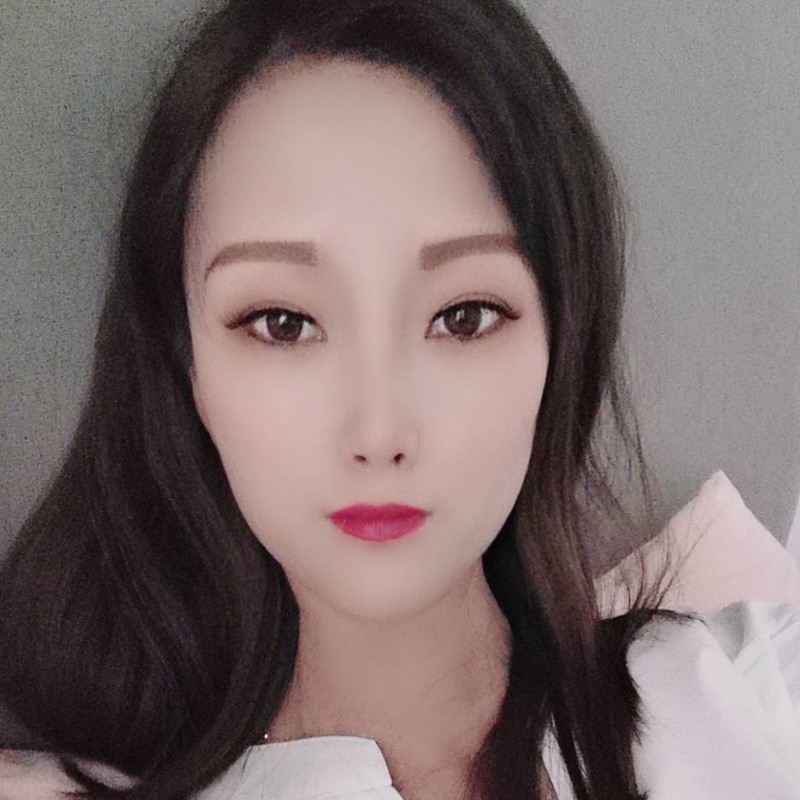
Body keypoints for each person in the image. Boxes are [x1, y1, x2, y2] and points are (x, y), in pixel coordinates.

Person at [1, 1, 798, 799]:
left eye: (464, 317)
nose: (379, 431)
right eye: (283, 323)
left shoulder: (751, 693)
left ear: (558, 348)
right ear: (188, 369)